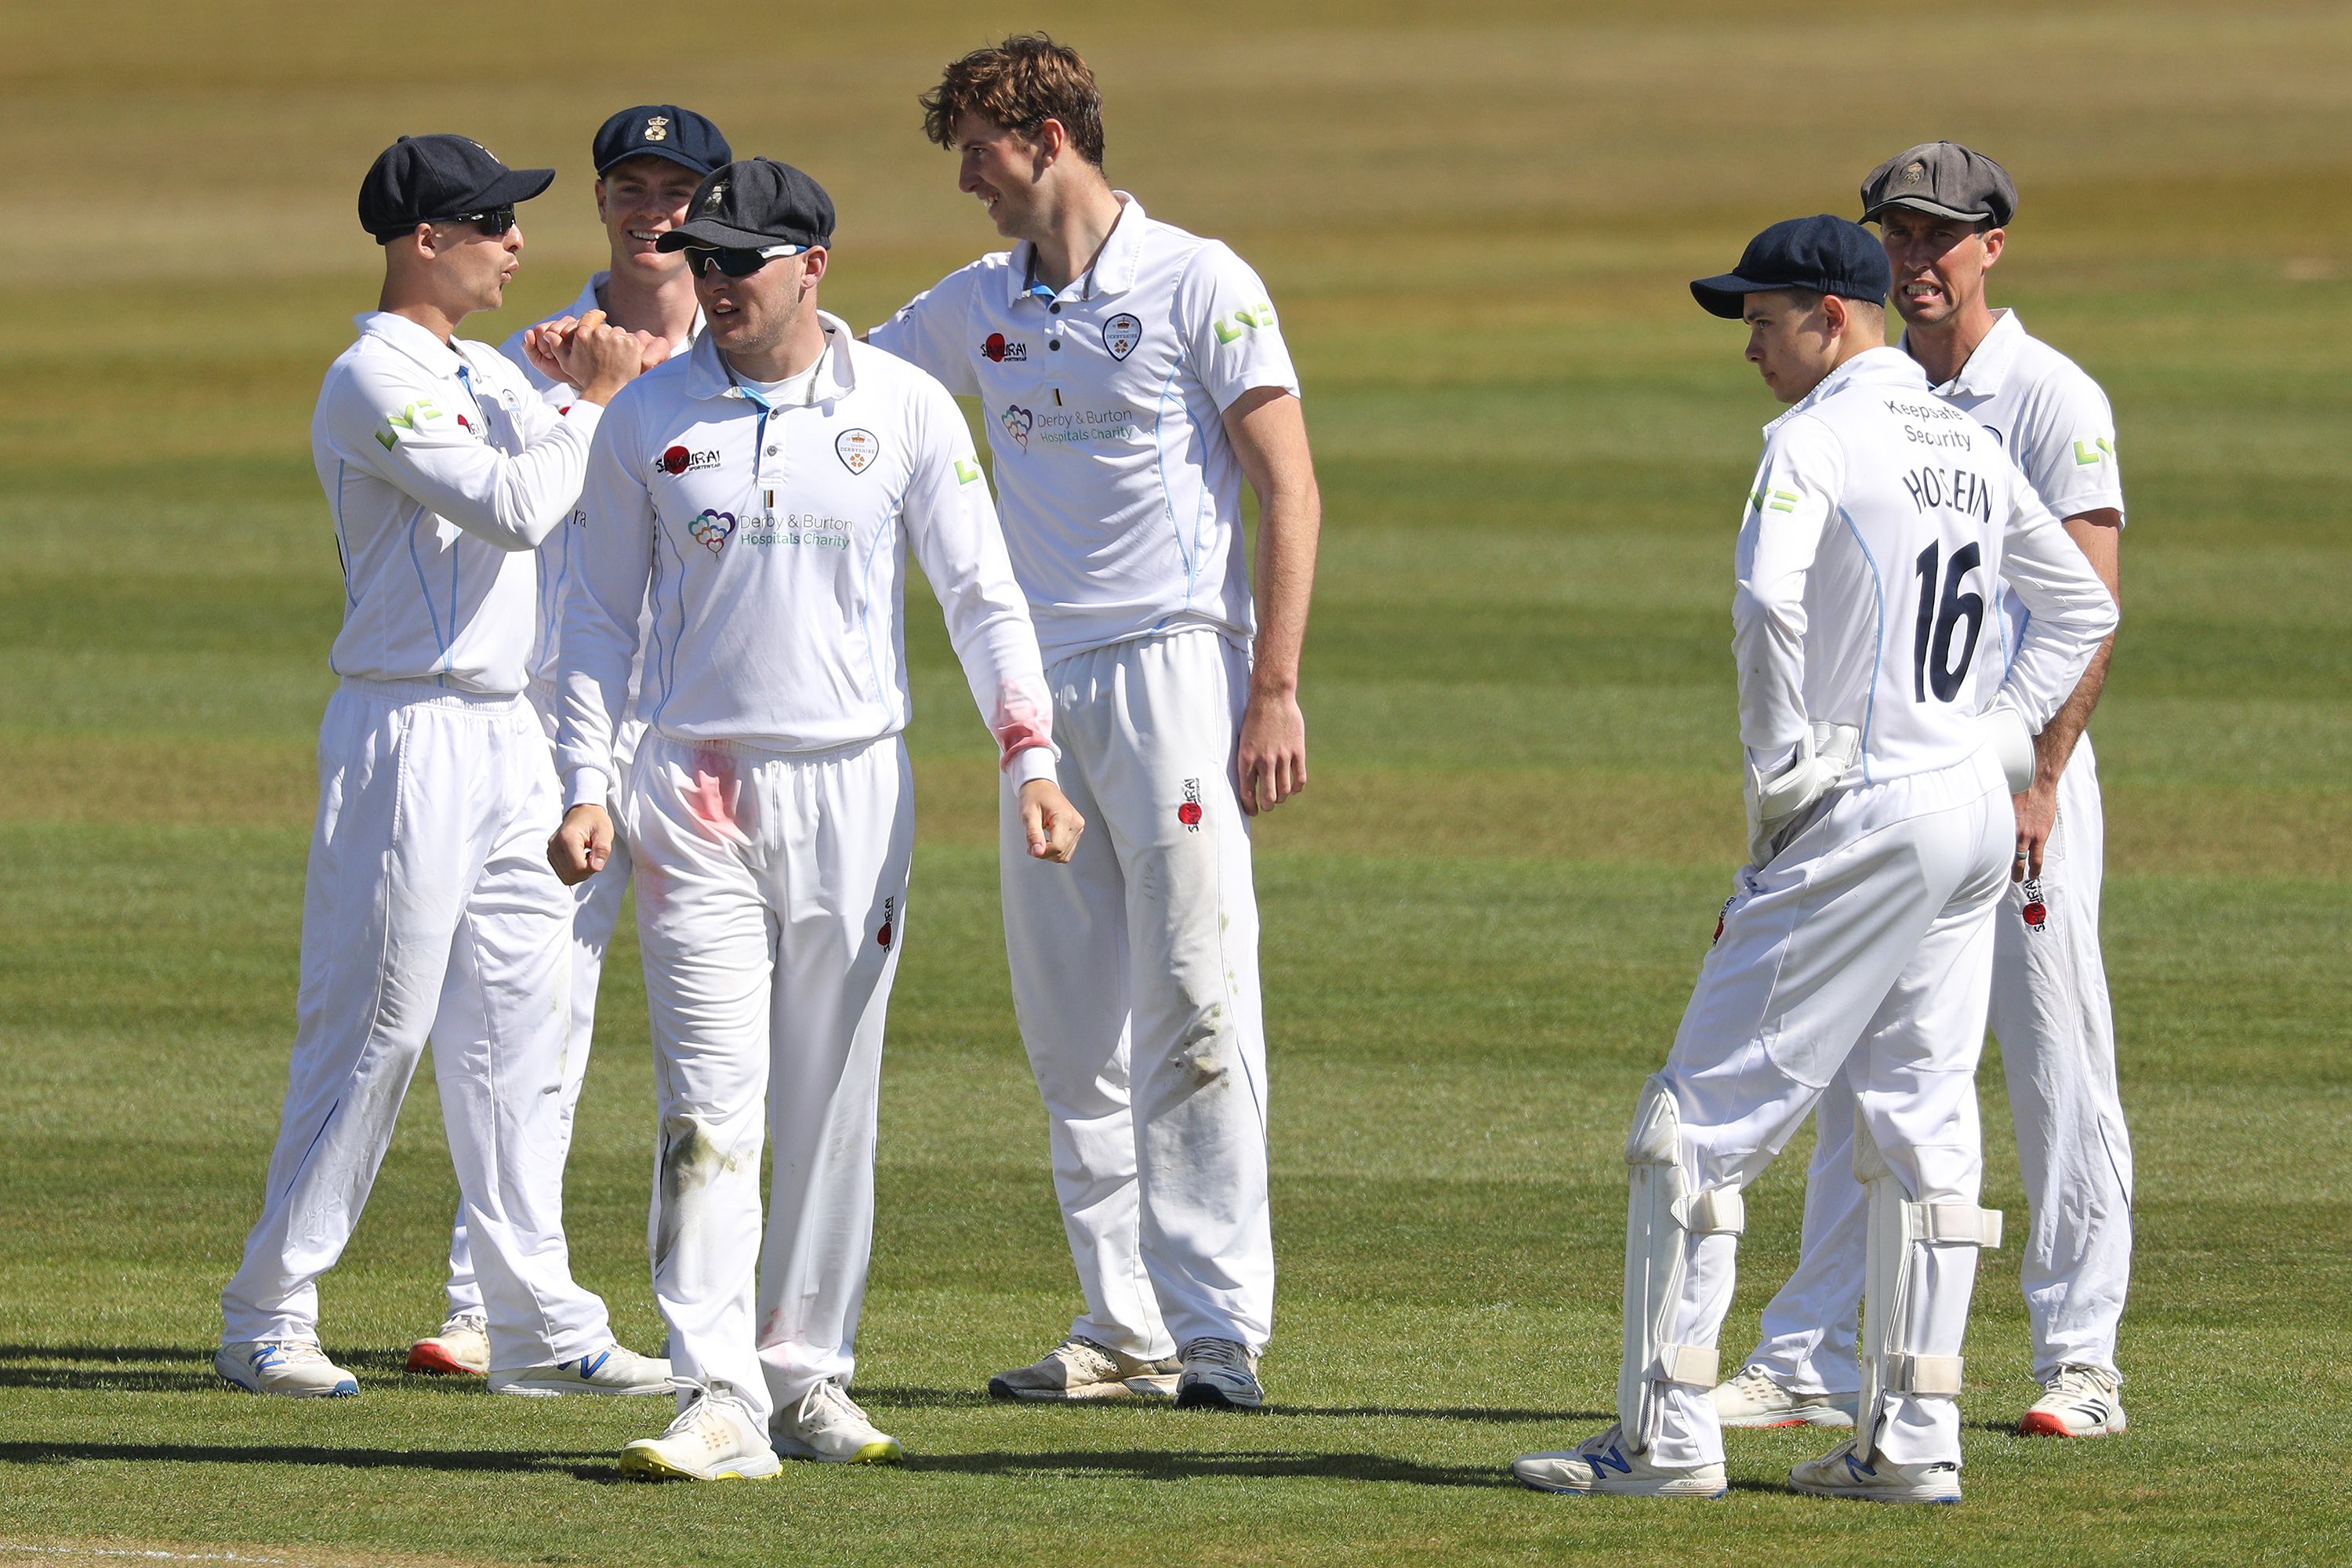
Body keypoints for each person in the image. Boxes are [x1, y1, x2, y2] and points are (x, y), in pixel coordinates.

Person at [1510, 216, 2116, 1501]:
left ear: (1832, 320)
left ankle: (1663, 1439)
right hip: (1962, 818)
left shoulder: (1816, 436)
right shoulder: (1963, 435)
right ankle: (1911, 1445)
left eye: (1765, 319)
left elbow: (1767, 595)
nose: (1751, 347)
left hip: (1863, 813)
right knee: (1922, 1123)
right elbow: (2083, 607)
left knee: (1691, 1128)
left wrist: (1784, 764)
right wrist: (2001, 744)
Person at [550, 158, 1083, 1480]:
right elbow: (597, 620)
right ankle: (716, 1390)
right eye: (702, 260)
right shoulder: (648, 416)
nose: (714, 282)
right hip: (691, 788)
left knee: (832, 1089)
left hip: (854, 784)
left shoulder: (901, 407)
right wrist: (581, 782)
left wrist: (1031, 758)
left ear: (815, 267)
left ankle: (804, 1374)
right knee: (707, 1097)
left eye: (741, 260)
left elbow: (981, 594)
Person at [868, 33, 1320, 1411]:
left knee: (1193, 994)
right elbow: (841, 380)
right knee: (1071, 1022)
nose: (968, 181)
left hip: (1178, 667)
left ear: (1050, 134)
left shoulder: (1200, 279)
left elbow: (1287, 489)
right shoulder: (974, 305)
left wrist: (1274, 685)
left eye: (980, 150)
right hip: (1035, 699)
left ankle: (1218, 1328)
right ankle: (1122, 1327)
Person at [216, 134, 670, 1401]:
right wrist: (591, 392)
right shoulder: (372, 378)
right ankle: (266, 1312)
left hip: (508, 739)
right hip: (403, 733)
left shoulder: (485, 367)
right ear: (425, 238)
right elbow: (521, 506)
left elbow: (581, 467)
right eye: (493, 223)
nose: (521, 243)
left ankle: (537, 1324)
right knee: (374, 1028)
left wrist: (584, 385)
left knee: (518, 1032)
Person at [1713, 144, 2135, 1442]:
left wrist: (2033, 772)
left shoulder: (2052, 397)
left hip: (2015, 782)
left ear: (1992, 244)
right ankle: (1812, 1354)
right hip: (1900, 790)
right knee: (1870, 1069)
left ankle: (2080, 1359)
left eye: (1939, 236)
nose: (1917, 259)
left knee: (2055, 1055)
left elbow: (2090, 604)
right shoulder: (1874, 394)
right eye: (1896, 237)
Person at [408, 103, 732, 1383]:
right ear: (602, 201)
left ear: (713, 202)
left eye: (677, 189)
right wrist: (570, 393)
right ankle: (487, 1303)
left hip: (719, 733)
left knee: (727, 1034)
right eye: (630, 187)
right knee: (530, 1014)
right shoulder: (524, 358)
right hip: (567, 733)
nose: (652, 210)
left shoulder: (762, 342)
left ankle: (746, 1311)